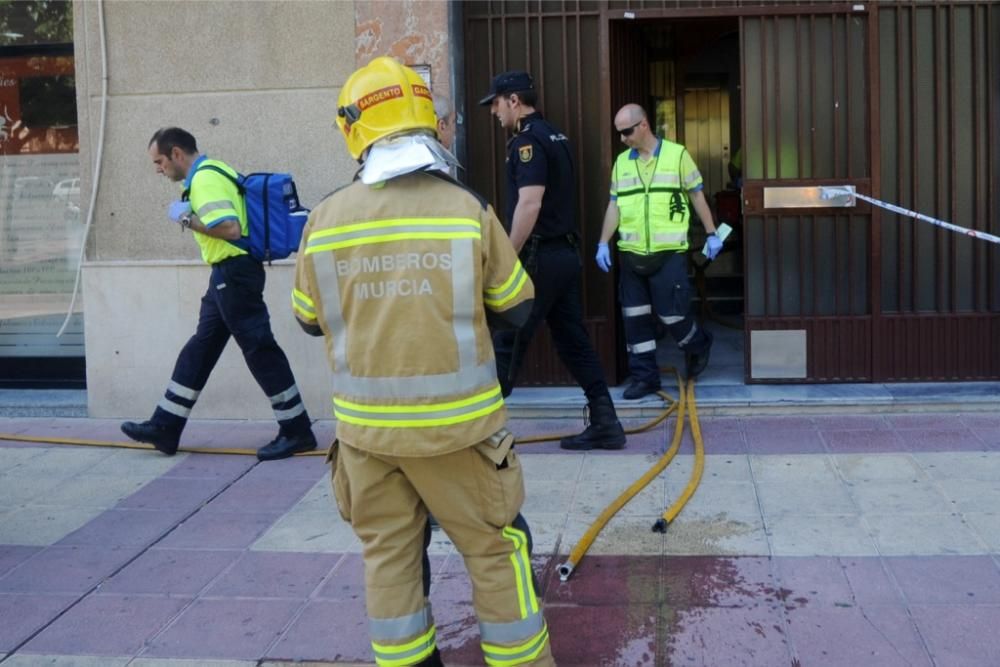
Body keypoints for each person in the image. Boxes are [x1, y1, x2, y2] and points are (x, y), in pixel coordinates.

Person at [294, 57, 553, 667]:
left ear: (354, 129)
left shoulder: (325, 219)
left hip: (367, 437)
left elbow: (307, 318)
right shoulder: (465, 209)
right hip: (459, 433)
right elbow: (517, 305)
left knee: (388, 557)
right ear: (427, 124)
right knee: (495, 550)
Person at [121, 127, 317, 461]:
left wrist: (185, 218)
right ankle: (165, 425)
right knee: (201, 347)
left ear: (177, 154)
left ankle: (297, 430)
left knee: (259, 349)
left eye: (159, 161)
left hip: (235, 273)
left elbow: (230, 228)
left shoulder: (204, 180)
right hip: (226, 275)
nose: (158, 169)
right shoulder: (215, 170)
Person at [479, 70, 626, 452]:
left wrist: (506, 258)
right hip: (564, 255)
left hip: (539, 258)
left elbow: (530, 203)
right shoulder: (555, 136)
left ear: (513, 100)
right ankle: (606, 421)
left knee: (509, 339)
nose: (493, 112)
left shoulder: (526, 142)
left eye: (495, 103)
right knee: (572, 340)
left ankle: (478, 437)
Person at [595, 104, 720, 399]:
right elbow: (614, 204)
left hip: (668, 254)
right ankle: (645, 378)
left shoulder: (677, 156)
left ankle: (698, 344)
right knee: (635, 319)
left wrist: (712, 233)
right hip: (631, 254)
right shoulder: (622, 162)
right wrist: (603, 242)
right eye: (619, 133)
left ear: (644, 125)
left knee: (672, 314)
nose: (622, 138)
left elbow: (696, 195)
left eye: (626, 132)